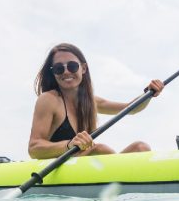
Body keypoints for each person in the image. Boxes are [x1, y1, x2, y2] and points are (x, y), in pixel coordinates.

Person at [28, 43, 165, 158]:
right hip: (56, 171)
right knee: (100, 150)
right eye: (59, 68)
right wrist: (69, 144)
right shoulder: (48, 99)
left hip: (85, 168)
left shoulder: (91, 101)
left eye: (72, 66)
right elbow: (34, 148)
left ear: (83, 68)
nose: (66, 72)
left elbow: (131, 108)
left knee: (141, 148)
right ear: (53, 73)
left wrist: (149, 93)